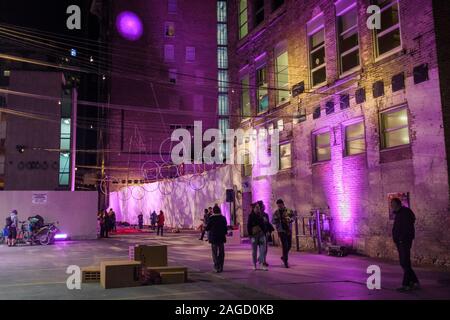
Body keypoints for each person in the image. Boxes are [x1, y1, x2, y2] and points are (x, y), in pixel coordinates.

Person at [391, 198, 420, 292]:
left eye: (393, 204)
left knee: (405, 263)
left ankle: (406, 285)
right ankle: (415, 282)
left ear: (397, 204)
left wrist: (401, 239)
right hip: (400, 242)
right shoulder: (399, 213)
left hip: (404, 241)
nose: (391, 206)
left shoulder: (405, 213)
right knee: (404, 263)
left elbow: (406, 228)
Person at [272, 199, 294, 268]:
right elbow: (272, 221)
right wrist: (276, 221)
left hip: (288, 230)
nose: (279, 207)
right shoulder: (276, 212)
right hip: (281, 230)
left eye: (280, 205)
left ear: (283, 204)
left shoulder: (289, 211)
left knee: (289, 245)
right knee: (285, 245)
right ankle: (286, 262)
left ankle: (283, 257)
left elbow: (294, 216)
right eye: (278, 206)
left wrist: (290, 219)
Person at [205, 205, 228, 273]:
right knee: (221, 253)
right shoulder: (223, 218)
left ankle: (216, 266)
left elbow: (208, 228)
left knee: (214, 253)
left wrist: (205, 227)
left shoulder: (211, 218)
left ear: (213, 211)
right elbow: (225, 227)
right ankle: (221, 266)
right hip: (221, 237)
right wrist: (225, 233)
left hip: (214, 238)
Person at [247, 202, 268, 271]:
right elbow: (248, 226)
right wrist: (250, 236)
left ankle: (261, 264)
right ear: (253, 208)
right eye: (257, 207)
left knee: (263, 250)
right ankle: (254, 264)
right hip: (254, 235)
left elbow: (264, 225)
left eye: (259, 207)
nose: (258, 208)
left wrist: (265, 232)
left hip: (261, 234)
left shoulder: (261, 215)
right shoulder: (251, 216)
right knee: (254, 251)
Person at [258, 200, 274, 268]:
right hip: (259, 233)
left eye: (263, 205)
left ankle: (263, 259)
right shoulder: (257, 215)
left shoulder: (266, 215)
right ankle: (263, 260)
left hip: (265, 233)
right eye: (262, 205)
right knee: (262, 247)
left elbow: (267, 224)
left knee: (265, 248)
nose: (264, 206)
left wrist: (268, 232)